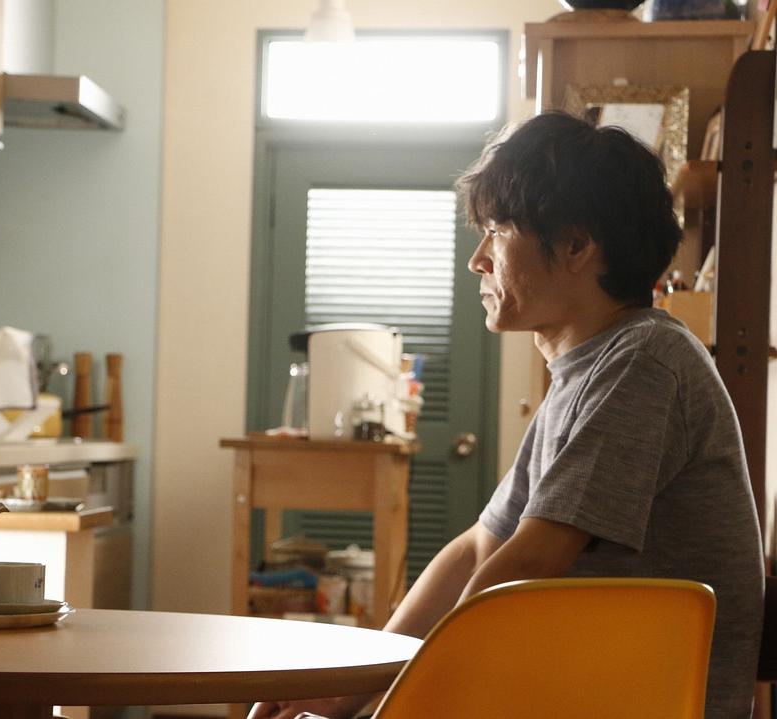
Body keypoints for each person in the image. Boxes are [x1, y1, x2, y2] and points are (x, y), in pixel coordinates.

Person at [249, 111, 765, 719]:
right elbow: (477, 550)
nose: (478, 260)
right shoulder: (588, 370)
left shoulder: (643, 363)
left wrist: (392, 706)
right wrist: (351, 687)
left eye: (496, 231)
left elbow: (526, 566)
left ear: (576, 246)